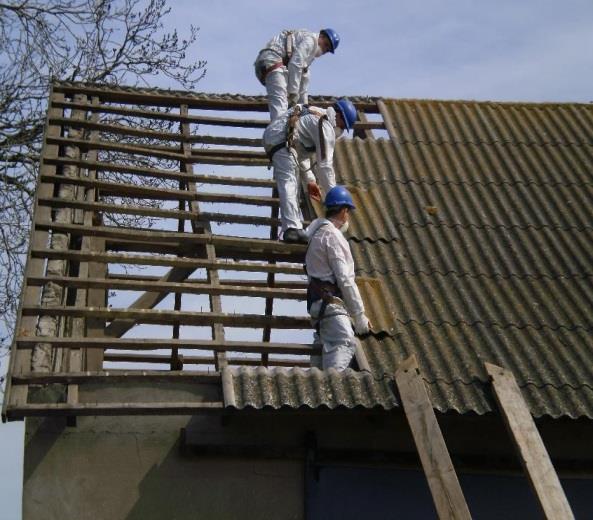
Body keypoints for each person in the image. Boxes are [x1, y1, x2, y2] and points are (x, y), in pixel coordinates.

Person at [263, 98, 358, 244]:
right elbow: (325, 165)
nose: (341, 128)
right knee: (289, 182)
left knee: (292, 182)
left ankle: (293, 227)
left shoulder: (318, 116)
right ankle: (292, 229)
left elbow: (301, 149)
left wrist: (310, 180)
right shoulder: (325, 125)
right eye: (342, 123)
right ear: (338, 115)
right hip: (281, 140)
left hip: (281, 139)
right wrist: (336, 200)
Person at [305, 185, 371, 371]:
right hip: (330, 305)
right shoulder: (332, 236)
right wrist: (359, 316)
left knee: (322, 355)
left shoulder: (316, 234)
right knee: (345, 342)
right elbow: (344, 278)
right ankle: (334, 393)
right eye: (348, 212)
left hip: (318, 305)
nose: (348, 217)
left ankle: (319, 389)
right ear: (343, 211)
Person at [254, 28, 340, 121]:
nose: (324, 49)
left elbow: (303, 86)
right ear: (321, 36)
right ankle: (278, 133)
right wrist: (293, 93)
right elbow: (295, 63)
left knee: (284, 105)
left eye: (327, 50)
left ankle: (281, 129)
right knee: (281, 105)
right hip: (272, 59)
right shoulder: (310, 40)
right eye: (325, 45)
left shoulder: (308, 59)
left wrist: (304, 109)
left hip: (268, 63)